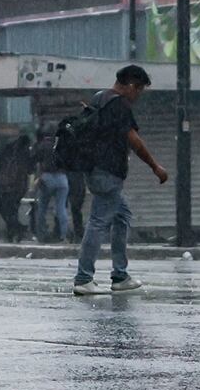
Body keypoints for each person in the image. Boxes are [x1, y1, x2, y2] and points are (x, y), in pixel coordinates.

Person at [73, 65, 168, 296]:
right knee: (98, 222)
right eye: (139, 91)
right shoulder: (118, 104)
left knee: (122, 216)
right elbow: (133, 140)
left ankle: (120, 275)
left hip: (94, 169)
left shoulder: (99, 98)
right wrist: (155, 166)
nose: (138, 97)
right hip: (108, 172)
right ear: (131, 85)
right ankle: (84, 278)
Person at [31, 124, 69, 243]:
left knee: (42, 208)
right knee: (61, 208)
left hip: (47, 177)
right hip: (62, 178)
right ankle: (64, 235)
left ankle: (41, 234)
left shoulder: (42, 145)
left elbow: (33, 159)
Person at [0, 134, 33, 243]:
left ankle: (14, 231)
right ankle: (16, 230)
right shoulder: (25, 153)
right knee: (13, 210)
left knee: (5, 208)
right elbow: (30, 169)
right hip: (19, 186)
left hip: (6, 186)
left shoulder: (7, 151)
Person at [66, 170, 86, 242]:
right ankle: (78, 233)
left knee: (64, 207)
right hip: (77, 178)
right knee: (76, 208)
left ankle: (70, 233)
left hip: (70, 176)